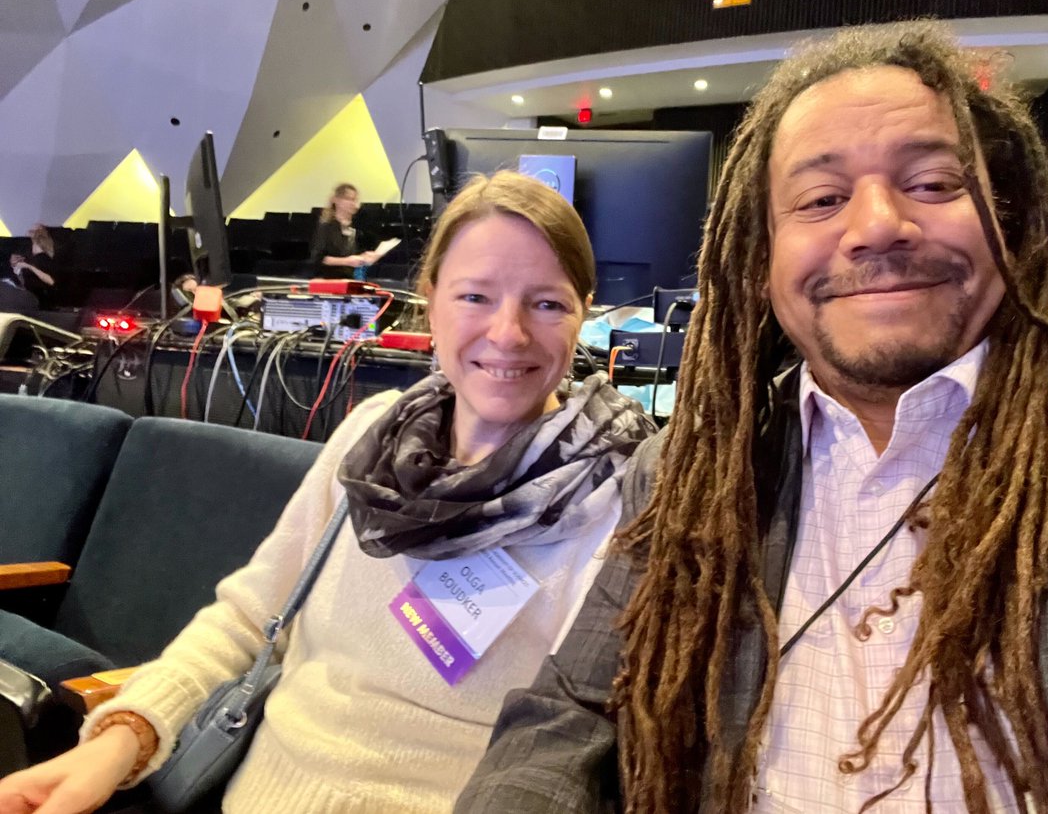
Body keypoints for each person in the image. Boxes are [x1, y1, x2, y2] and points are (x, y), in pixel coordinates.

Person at [456, 22, 1048, 814]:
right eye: (821, 199)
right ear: (762, 258)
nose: (877, 224)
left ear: (1008, 222)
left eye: (935, 184)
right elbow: (568, 713)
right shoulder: (690, 473)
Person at [0, 171, 655, 813]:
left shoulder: (618, 495)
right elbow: (249, 620)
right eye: (475, 297)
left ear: (583, 313)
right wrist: (124, 736)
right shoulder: (370, 437)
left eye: (546, 303)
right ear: (429, 299)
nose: (508, 333)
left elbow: (589, 738)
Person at [309, 183, 379, 279]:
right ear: (337, 200)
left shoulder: (357, 227)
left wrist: (366, 257)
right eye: (348, 199)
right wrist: (346, 261)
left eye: (354, 199)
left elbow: (355, 253)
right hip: (329, 279)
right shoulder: (326, 227)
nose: (353, 203)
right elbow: (319, 258)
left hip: (350, 280)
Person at [9, 226, 57, 308]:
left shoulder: (44, 259)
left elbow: (51, 281)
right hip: (30, 300)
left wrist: (28, 266)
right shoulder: (31, 258)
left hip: (41, 302)